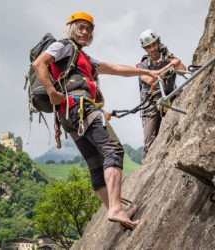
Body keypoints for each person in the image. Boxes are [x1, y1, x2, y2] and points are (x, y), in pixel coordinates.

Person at [32, 12, 180, 230]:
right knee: (113, 150)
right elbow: (39, 63)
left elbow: (116, 69)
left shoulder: (84, 59)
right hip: (81, 108)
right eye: (80, 27)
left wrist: (149, 71)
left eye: (88, 29)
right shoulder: (65, 46)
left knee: (95, 165)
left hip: (69, 117)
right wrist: (51, 91)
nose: (85, 32)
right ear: (70, 28)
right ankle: (116, 208)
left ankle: (117, 214)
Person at [137, 29, 186, 160]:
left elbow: (182, 70)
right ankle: (146, 163)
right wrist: (169, 66)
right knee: (149, 141)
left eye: (154, 44)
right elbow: (150, 79)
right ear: (145, 49)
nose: (152, 48)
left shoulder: (167, 57)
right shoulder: (142, 66)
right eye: (149, 47)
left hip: (170, 97)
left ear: (158, 43)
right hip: (151, 103)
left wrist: (170, 57)